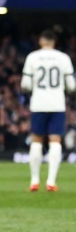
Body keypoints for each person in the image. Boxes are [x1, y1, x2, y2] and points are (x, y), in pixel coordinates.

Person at [20, 29, 75, 192]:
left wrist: (34, 89)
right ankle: (51, 181)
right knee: (55, 141)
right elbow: (72, 86)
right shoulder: (63, 58)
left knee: (36, 140)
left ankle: (34, 180)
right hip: (57, 104)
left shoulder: (32, 57)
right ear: (54, 42)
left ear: (41, 41)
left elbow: (25, 85)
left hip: (38, 103)